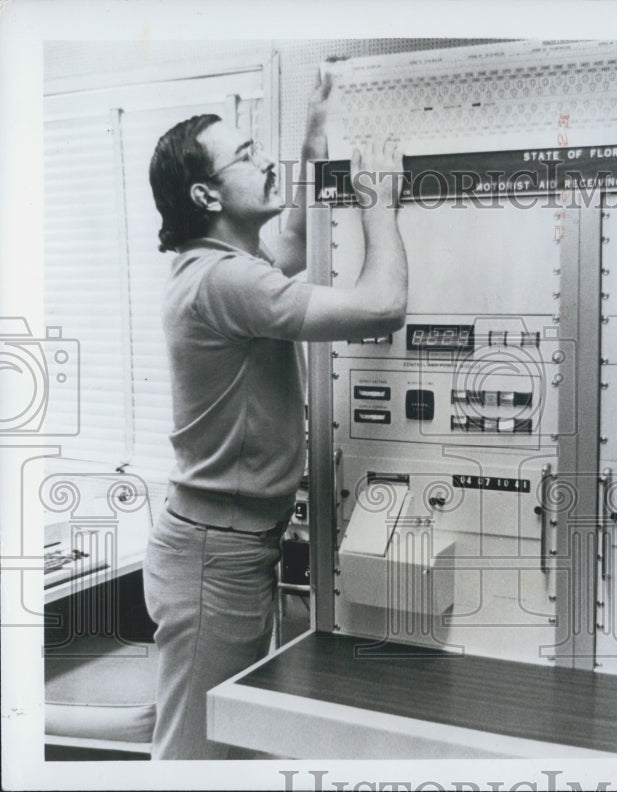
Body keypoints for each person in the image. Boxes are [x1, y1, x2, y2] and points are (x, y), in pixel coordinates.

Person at [143, 71, 407, 760]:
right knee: (195, 757)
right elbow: (381, 307)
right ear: (205, 195)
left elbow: (287, 246)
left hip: (226, 546)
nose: (264, 162)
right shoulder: (225, 281)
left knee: (225, 742)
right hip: (214, 555)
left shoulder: (218, 264)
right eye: (247, 156)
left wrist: (312, 144)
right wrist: (380, 203)